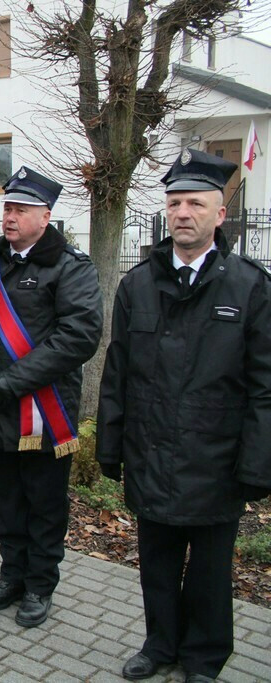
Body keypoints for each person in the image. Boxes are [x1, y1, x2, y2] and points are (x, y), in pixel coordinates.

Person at [97, 149, 271, 683]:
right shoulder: (138, 284)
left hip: (216, 459)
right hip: (152, 453)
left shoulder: (248, 286)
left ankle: (203, 658)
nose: (182, 213)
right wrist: (110, 445)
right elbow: (117, 372)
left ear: (221, 214)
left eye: (196, 203)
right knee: (157, 563)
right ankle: (160, 645)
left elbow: (265, 385)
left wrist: (257, 464)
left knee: (212, 572)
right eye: (174, 202)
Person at [0, 166, 102, 626]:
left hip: (43, 411)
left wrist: (16, 382)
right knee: (7, 500)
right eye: (7, 208)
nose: (10, 216)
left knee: (44, 503)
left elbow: (78, 337)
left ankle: (40, 585)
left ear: (46, 216)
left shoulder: (70, 267)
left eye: (21, 209)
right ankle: (11, 577)